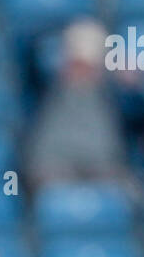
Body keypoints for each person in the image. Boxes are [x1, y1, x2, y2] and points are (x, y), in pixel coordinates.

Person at [25, 18, 131, 188]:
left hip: (103, 165)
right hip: (53, 162)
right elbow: (28, 46)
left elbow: (140, 119)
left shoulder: (114, 93)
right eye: (78, 61)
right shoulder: (46, 85)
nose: (83, 69)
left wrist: (131, 87)